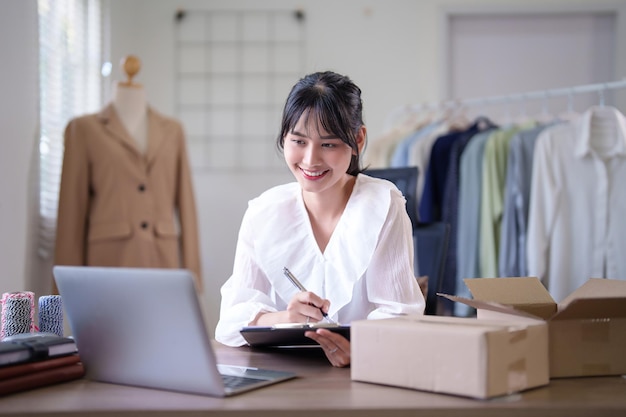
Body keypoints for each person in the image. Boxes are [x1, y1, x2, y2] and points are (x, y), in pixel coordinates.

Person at [215, 71, 425, 367]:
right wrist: (287, 318)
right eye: (298, 141)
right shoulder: (263, 212)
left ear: (358, 139)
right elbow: (230, 320)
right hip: (281, 377)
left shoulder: (383, 205)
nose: (311, 159)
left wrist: (361, 350)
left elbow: (400, 313)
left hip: (362, 375)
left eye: (328, 144)